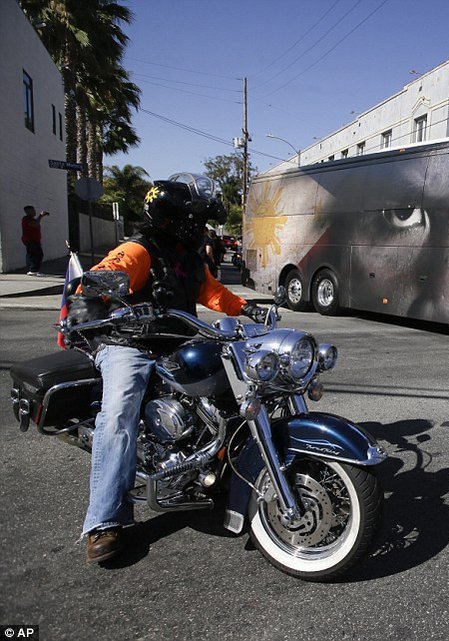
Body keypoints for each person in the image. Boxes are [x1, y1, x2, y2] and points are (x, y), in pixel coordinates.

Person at [67, 174, 268, 564]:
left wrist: (248, 308)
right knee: (119, 414)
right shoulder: (137, 250)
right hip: (130, 345)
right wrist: (99, 301)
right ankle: (104, 520)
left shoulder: (188, 257)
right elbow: (92, 288)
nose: (202, 229)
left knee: (232, 384)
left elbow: (212, 293)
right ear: (170, 218)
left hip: (177, 341)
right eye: (195, 221)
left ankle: (213, 469)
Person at [21, 205, 50, 276]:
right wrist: (40, 216)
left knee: (31, 255)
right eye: (32, 211)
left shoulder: (32, 219)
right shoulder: (26, 219)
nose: (34, 212)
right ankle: (34, 270)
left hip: (34, 240)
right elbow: (35, 224)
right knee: (38, 254)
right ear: (28, 211)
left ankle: (31, 270)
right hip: (31, 240)